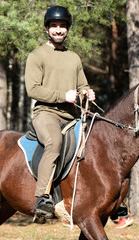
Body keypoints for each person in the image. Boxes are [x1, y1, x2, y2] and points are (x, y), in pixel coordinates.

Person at [24, 5, 95, 222]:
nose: (58, 30)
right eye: (54, 26)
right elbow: (32, 89)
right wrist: (62, 96)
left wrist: (87, 91)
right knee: (54, 142)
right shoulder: (37, 55)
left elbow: (82, 83)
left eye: (62, 26)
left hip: (71, 115)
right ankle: (42, 199)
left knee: (97, 143)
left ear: (67, 29)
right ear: (47, 29)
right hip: (46, 113)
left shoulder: (73, 57)